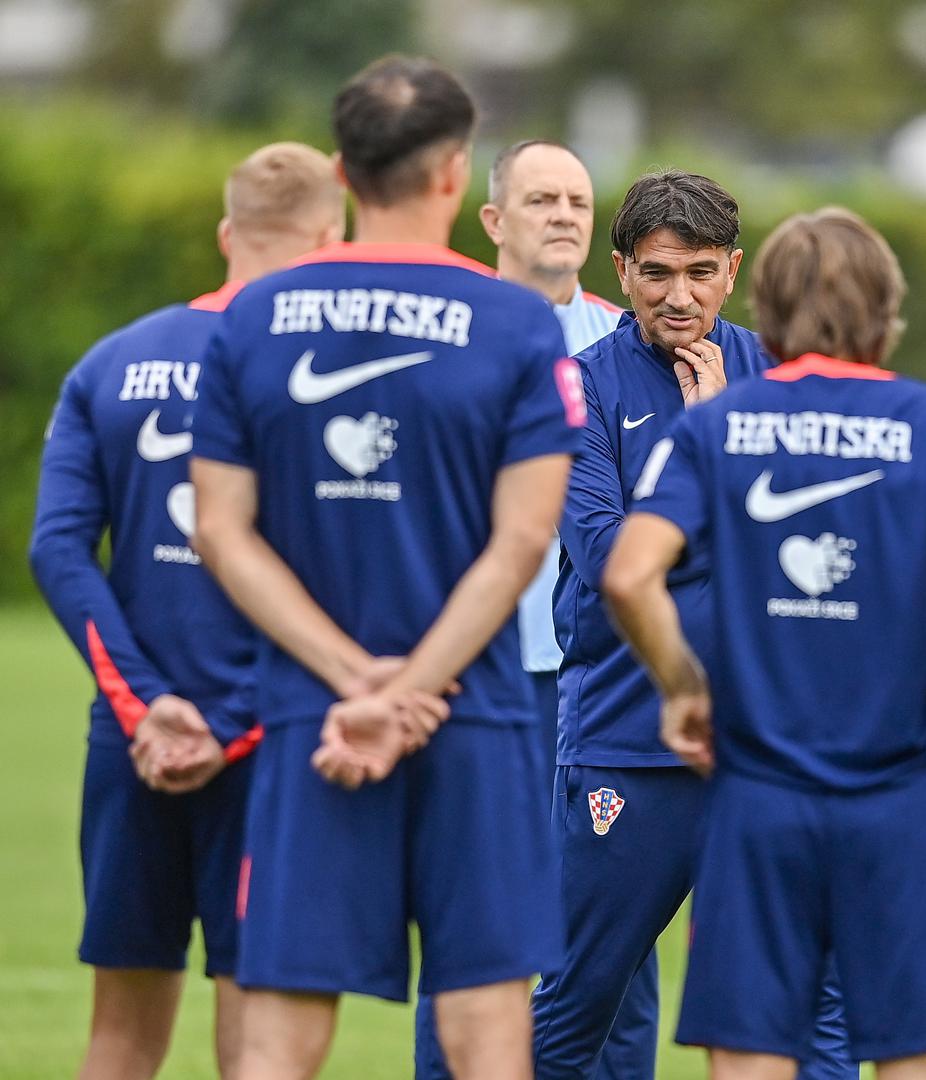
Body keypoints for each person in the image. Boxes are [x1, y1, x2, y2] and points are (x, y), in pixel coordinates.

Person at [189, 56, 584, 1080]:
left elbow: (222, 534)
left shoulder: (249, 319)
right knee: (486, 1030)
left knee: (279, 1031)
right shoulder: (518, 326)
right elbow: (523, 544)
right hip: (479, 717)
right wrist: (408, 686)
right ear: (457, 175)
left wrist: (353, 681)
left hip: (307, 717)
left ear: (340, 169)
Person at [602, 207, 926, 1079]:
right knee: (915, 1049)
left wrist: (682, 689)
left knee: (755, 1050)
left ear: (759, 300)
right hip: (899, 792)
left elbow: (625, 575)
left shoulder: (713, 426)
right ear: (887, 308)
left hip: (756, 794)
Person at [28, 142, 344, 1080]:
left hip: (133, 746)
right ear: (328, 239)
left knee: (118, 1040)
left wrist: (145, 709)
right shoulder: (317, 376)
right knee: (257, 1041)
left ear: (225, 232)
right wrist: (235, 721)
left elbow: (56, 549)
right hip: (273, 743)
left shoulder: (108, 363)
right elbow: (347, 574)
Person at [531, 170, 854, 1079]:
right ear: (622, 269)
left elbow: (817, 549)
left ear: (734, 270)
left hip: (777, 744)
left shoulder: (783, 371)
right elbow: (603, 559)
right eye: (659, 272)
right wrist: (714, 452)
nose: (680, 296)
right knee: (577, 996)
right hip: (632, 740)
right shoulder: (578, 386)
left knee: (813, 999)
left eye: (701, 272)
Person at [413, 138, 652, 1080]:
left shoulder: (627, 343)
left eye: (579, 202)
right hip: (477, 672)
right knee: (471, 928)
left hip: (597, 678)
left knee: (616, 940)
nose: (563, 214)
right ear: (493, 219)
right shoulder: (442, 330)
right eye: (542, 197)